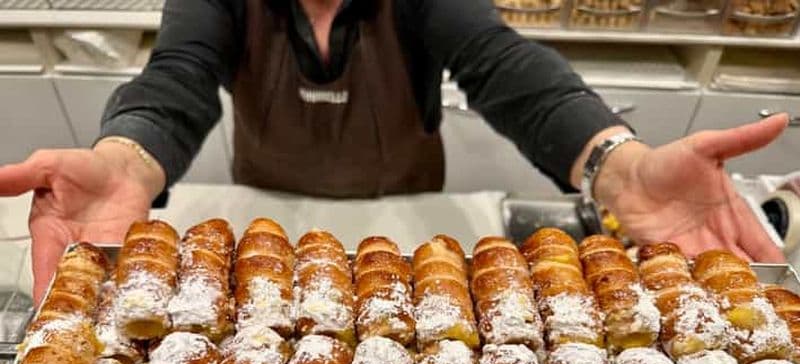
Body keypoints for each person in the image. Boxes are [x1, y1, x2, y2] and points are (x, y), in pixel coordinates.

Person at [0, 0, 787, 303]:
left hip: (408, 219)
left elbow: (508, 70)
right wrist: (127, 158)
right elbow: (176, 78)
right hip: (271, 212)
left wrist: (618, 163)